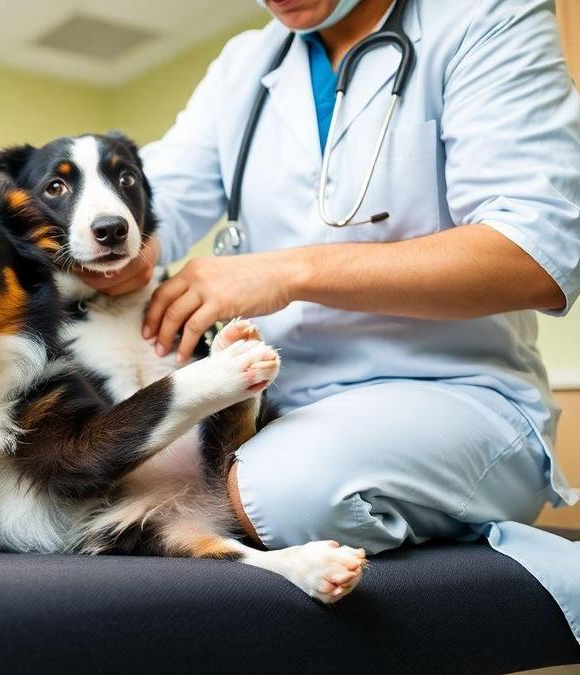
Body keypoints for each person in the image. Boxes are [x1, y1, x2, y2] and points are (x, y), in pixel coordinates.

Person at [83, 0, 580, 641]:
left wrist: (285, 272)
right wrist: (114, 246)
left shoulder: (488, 16)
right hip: (274, 407)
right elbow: (158, 203)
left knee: (283, 492)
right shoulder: (245, 64)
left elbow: (534, 254)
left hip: (453, 396)